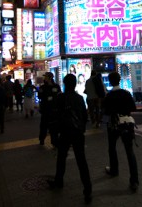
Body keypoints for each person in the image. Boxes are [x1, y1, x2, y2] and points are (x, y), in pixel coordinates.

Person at [47, 74, 92, 204]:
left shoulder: (60, 98)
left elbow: (55, 116)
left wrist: (54, 133)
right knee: (81, 161)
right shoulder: (79, 98)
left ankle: (59, 181)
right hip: (77, 133)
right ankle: (87, 190)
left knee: (61, 157)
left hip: (65, 133)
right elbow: (84, 116)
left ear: (65, 84)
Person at [103, 71, 139, 191]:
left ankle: (114, 170)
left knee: (112, 147)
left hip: (113, 124)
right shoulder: (126, 93)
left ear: (110, 81)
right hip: (127, 124)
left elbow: (106, 112)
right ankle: (134, 181)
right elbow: (133, 108)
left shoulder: (108, 96)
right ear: (119, 80)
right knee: (130, 152)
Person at [38, 72, 61, 146]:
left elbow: (59, 95)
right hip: (45, 109)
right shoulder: (43, 87)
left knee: (54, 126)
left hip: (54, 109)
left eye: (46, 77)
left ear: (50, 78)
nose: (45, 78)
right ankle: (42, 139)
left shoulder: (56, 86)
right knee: (43, 125)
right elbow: (40, 96)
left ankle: (54, 141)